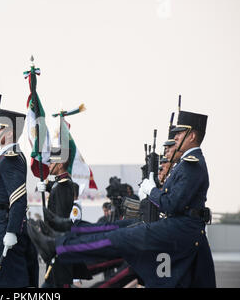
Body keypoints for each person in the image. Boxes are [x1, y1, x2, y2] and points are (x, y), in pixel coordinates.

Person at [28, 109, 216, 287]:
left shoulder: (192, 165)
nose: (175, 138)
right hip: (175, 227)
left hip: (179, 229)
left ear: (192, 136)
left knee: (118, 238)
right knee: (111, 228)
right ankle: (65, 229)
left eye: (180, 134)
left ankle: (58, 246)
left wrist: (152, 190)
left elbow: (170, 205)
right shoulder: (185, 165)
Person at [0, 108, 39, 288]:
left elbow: (18, 200)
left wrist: (12, 230)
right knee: (0, 279)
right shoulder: (4, 158)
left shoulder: (10, 160)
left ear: (10, 132)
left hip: (5, 225)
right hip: (1, 223)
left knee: (11, 281)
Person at [37, 149, 74, 288]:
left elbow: (59, 217)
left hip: (57, 242)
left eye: (52, 162)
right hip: (56, 241)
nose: (49, 165)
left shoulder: (63, 185)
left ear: (60, 164)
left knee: (57, 283)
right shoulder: (60, 184)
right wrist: (47, 186)